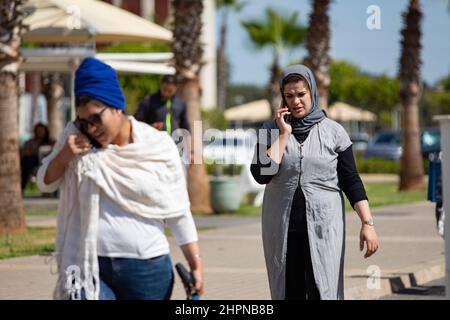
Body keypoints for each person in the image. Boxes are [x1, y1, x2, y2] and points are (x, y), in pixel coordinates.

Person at [37, 57, 203, 300]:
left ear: (116, 107)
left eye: (96, 118)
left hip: (146, 271)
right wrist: (64, 156)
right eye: (84, 122)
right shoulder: (75, 138)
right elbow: (45, 181)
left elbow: (178, 212)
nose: (91, 128)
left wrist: (195, 264)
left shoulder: (158, 146)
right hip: (86, 264)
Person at [250, 65, 379, 300]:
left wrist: (367, 223)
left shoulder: (334, 132)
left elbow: (351, 182)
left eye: (301, 94)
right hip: (282, 230)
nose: (296, 101)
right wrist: (283, 135)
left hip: (324, 227)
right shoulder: (270, 130)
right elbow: (261, 174)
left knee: (324, 289)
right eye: (289, 96)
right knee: (288, 290)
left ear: (312, 92)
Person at [20, 123, 54, 190]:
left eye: (42, 130)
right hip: (33, 163)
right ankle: (22, 187)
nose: (40, 132)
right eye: (38, 131)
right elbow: (25, 152)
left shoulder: (51, 142)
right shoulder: (30, 142)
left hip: (49, 163)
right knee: (27, 162)